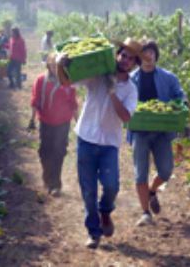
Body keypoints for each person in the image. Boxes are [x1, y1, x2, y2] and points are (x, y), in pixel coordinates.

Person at [57, 37, 141, 249]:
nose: (125, 60)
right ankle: (93, 233)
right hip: (86, 138)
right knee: (88, 190)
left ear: (134, 64)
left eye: (130, 59)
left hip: (109, 145)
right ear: (117, 55)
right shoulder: (97, 76)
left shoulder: (131, 89)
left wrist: (113, 93)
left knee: (111, 185)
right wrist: (61, 64)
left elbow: (126, 117)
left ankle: (105, 211)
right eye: (123, 55)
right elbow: (66, 82)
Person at [129, 39, 184, 226]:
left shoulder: (168, 78)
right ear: (139, 57)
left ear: (156, 55)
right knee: (140, 174)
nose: (148, 55)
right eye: (145, 52)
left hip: (162, 132)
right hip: (140, 131)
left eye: (152, 52)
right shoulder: (131, 79)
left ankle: (152, 191)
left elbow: (179, 96)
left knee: (166, 171)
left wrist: (180, 106)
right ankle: (145, 212)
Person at [28, 53, 78, 196]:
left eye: (58, 64)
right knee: (45, 151)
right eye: (53, 64)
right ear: (48, 65)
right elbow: (35, 100)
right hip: (46, 121)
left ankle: (55, 183)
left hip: (63, 123)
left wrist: (78, 123)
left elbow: (73, 104)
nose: (56, 67)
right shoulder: (41, 80)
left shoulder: (68, 82)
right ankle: (47, 175)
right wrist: (32, 119)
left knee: (59, 151)